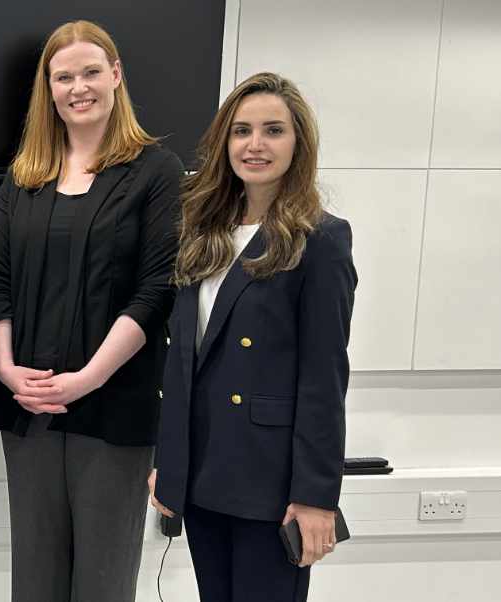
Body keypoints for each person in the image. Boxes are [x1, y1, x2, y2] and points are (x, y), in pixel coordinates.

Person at [0, 19, 185, 601]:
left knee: (103, 580)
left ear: (116, 75)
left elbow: (156, 290)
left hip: (114, 409)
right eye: (63, 77)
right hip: (30, 408)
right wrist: (5, 369)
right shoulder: (24, 176)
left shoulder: (157, 172)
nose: (78, 88)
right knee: (35, 580)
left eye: (91, 72)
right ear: (48, 88)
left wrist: (88, 378)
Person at [149, 72, 356, 602]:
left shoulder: (321, 238)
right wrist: (168, 465)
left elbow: (324, 378)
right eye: (241, 131)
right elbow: (182, 363)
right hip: (204, 472)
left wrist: (315, 496)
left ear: (298, 143)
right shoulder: (202, 232)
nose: (255, 145)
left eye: (273, 130)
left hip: (271, 483)